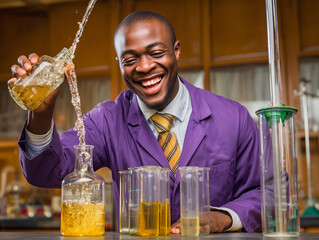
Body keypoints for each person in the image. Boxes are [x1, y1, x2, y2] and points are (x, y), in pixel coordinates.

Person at [9, 10, 261, 233]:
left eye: (156, 53)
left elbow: (269, 191)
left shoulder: (234, 118)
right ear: (119, 63)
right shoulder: (107, 120)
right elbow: (48, 172)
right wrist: (40, 113)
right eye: (130, 60)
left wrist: (224, 217)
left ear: (176, 50)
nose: (144, 66)